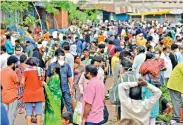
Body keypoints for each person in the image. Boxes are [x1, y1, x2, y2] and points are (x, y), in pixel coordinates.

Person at [46, 49, 74, 115]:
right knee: (58, 104)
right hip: (55, 89)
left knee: (68, 103)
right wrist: (47, 87)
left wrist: (71, 87)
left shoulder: (66, 66)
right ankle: (58, 116)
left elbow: (69, 77)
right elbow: (48, 76)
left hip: (65, 88)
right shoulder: (52, 65)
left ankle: (70, 117)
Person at [21, 57, 45, 125]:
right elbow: (41, 82)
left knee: (28, 112)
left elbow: (22, 83)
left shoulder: (26, 70)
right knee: (39, 112)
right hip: (38, 93)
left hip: (28, 93)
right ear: (37, 63)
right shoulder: (40, 70)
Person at [0, 55, 19, 125]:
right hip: (12, 96)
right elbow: (17, 81)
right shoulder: (12, 72)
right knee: (11, 116)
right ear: (13, 64)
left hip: (4, 95)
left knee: (4, 116)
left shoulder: (2, 71)